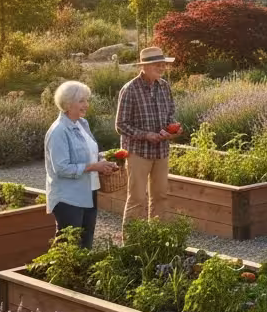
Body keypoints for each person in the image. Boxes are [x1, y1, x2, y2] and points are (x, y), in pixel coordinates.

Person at [44, 80, 119, 250]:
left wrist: (104, 161)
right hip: (68, 197)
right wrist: (93, 167)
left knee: (86, 243)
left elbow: (89, 153)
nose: (87, 105)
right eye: (81, 101)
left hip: (88, 190)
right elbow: (62, 168)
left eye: (87, 100)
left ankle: (81, 276)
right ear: (68, 104)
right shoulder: (58, 131)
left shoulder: (82, 124)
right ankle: (59, 277)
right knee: (68, 246)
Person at [114, 46, 180, 228]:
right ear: (143, 66)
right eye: (156, 65)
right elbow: (120, 125)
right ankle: (132, 244)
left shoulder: (164, 87)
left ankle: (158, 240)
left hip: (161, 150)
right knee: (137, 198)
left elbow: (170, 114)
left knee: (160, 196)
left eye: (163, 65)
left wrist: (172, 129)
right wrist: (146, 135)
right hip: (138, 152)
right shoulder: (130, 90)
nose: (161, 68)